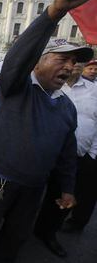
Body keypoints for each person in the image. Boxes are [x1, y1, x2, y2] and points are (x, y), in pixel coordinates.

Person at [0, 0, 97, 263]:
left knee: (13, 239)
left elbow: (66, 154)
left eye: (75, 61)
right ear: (38, 61)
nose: (70, 66)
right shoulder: (15, 86)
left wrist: (67, 188)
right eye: (62, 58)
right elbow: (16, 59)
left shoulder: (66, 107)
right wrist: (54, 13)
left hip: (33, 188)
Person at [34, 58, 97, 258]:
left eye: (77, 62)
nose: (72, 66)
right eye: (67, 61)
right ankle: (21, 226)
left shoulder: (93, 91)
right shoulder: (46, 87)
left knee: (63, 196)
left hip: (77, 156)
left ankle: (48, 232)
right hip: (44, 154)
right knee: (31, 193)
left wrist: (92, 153)